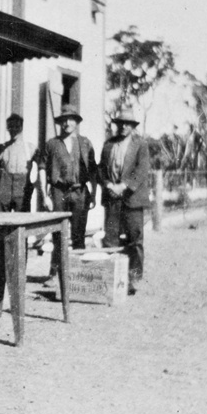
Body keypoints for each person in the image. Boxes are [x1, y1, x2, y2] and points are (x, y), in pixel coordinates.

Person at [40, 104, 98, 287]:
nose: (67, 123)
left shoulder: (85, 143)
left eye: (70, 119)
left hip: (80, 192)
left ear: (76, 122)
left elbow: (93, 170)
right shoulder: (51, 144)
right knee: (58, 235)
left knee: (79, 234)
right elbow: (42, 169)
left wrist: (94, 193)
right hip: (59, 192)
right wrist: (44, 195)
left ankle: (79, 274)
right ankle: (54, 274)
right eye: (63, 120)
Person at [99, 107, 150, 295]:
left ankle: (134, 278)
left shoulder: (140, 144)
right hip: (112, 199)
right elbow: (101, 170)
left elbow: (142, 169)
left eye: (127, 124)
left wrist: (124, 186)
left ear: (132, 126)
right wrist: (108, 185)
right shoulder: (108, 145)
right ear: (116, 125)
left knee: (134, 240)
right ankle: (113, 279)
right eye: (120, 123)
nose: (123, 127)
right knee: (111, 239)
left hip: (132, 200)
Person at [0, 113, 42, 213]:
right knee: (1, 223)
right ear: (7, 128)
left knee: (21, 222)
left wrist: (33, 184)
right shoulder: (1, 148)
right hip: (4, 188)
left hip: (22, 188)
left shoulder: (30, 148)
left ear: (22, 127)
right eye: (11, 127)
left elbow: (41, 167)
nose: (14, 129)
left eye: (17, 126)